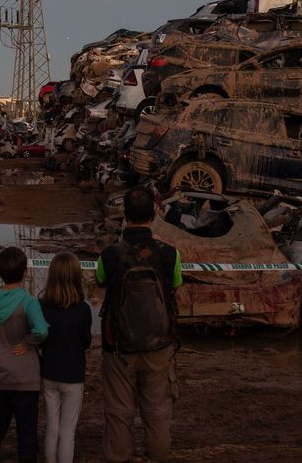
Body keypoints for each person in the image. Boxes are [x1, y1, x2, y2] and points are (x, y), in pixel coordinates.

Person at [96, 187, 182, 463]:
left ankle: (120, 456)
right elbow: (176, 285)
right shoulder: (170, 254)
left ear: (125, 216)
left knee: (119, 411)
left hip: (118, 347)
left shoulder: (109, 255)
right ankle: (157, 456)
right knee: (157, 410)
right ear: (154, 215)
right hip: (160, 345)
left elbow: (99, 282)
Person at [0, 246, 50, 463]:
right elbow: (41, 331)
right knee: (26, 433)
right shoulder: (28, 301)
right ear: (25, 272)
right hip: (24, 377)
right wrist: (28, 342)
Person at [39, 252, 93, 463]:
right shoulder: (83, 310)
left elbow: (40, 339)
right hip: (73, 375)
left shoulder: (42, 307)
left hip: (50, 373)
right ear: (77, 276)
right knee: (67, 431)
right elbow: (86, 342)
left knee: (52, 427)